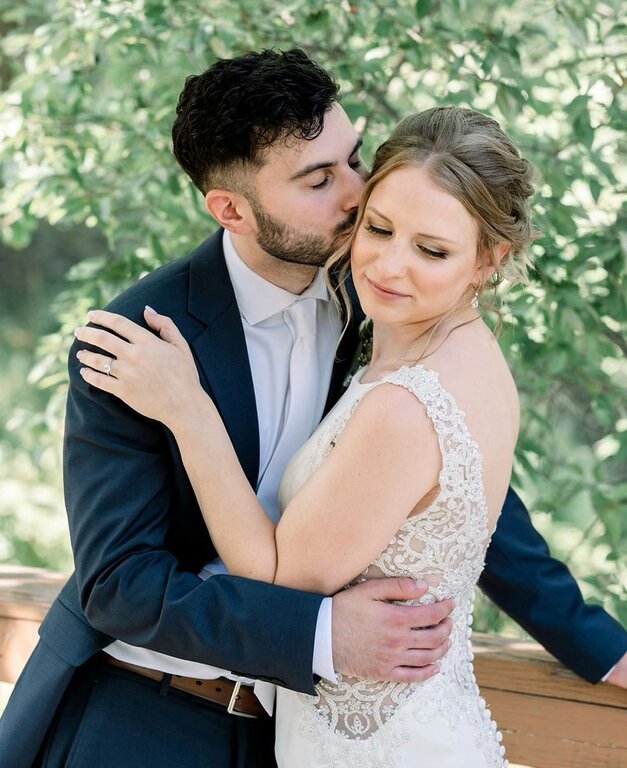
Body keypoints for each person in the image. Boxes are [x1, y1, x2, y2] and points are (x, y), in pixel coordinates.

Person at [0, 49, 625, 768]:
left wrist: (592, 640)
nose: (358, 195)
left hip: (297, 730)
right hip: (145, 711)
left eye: (353, 159)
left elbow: (443, 470)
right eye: (318, 179)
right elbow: (119, 584)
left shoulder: (378, 283)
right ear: (232, 209)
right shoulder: (140, 345)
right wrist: (320, 633)